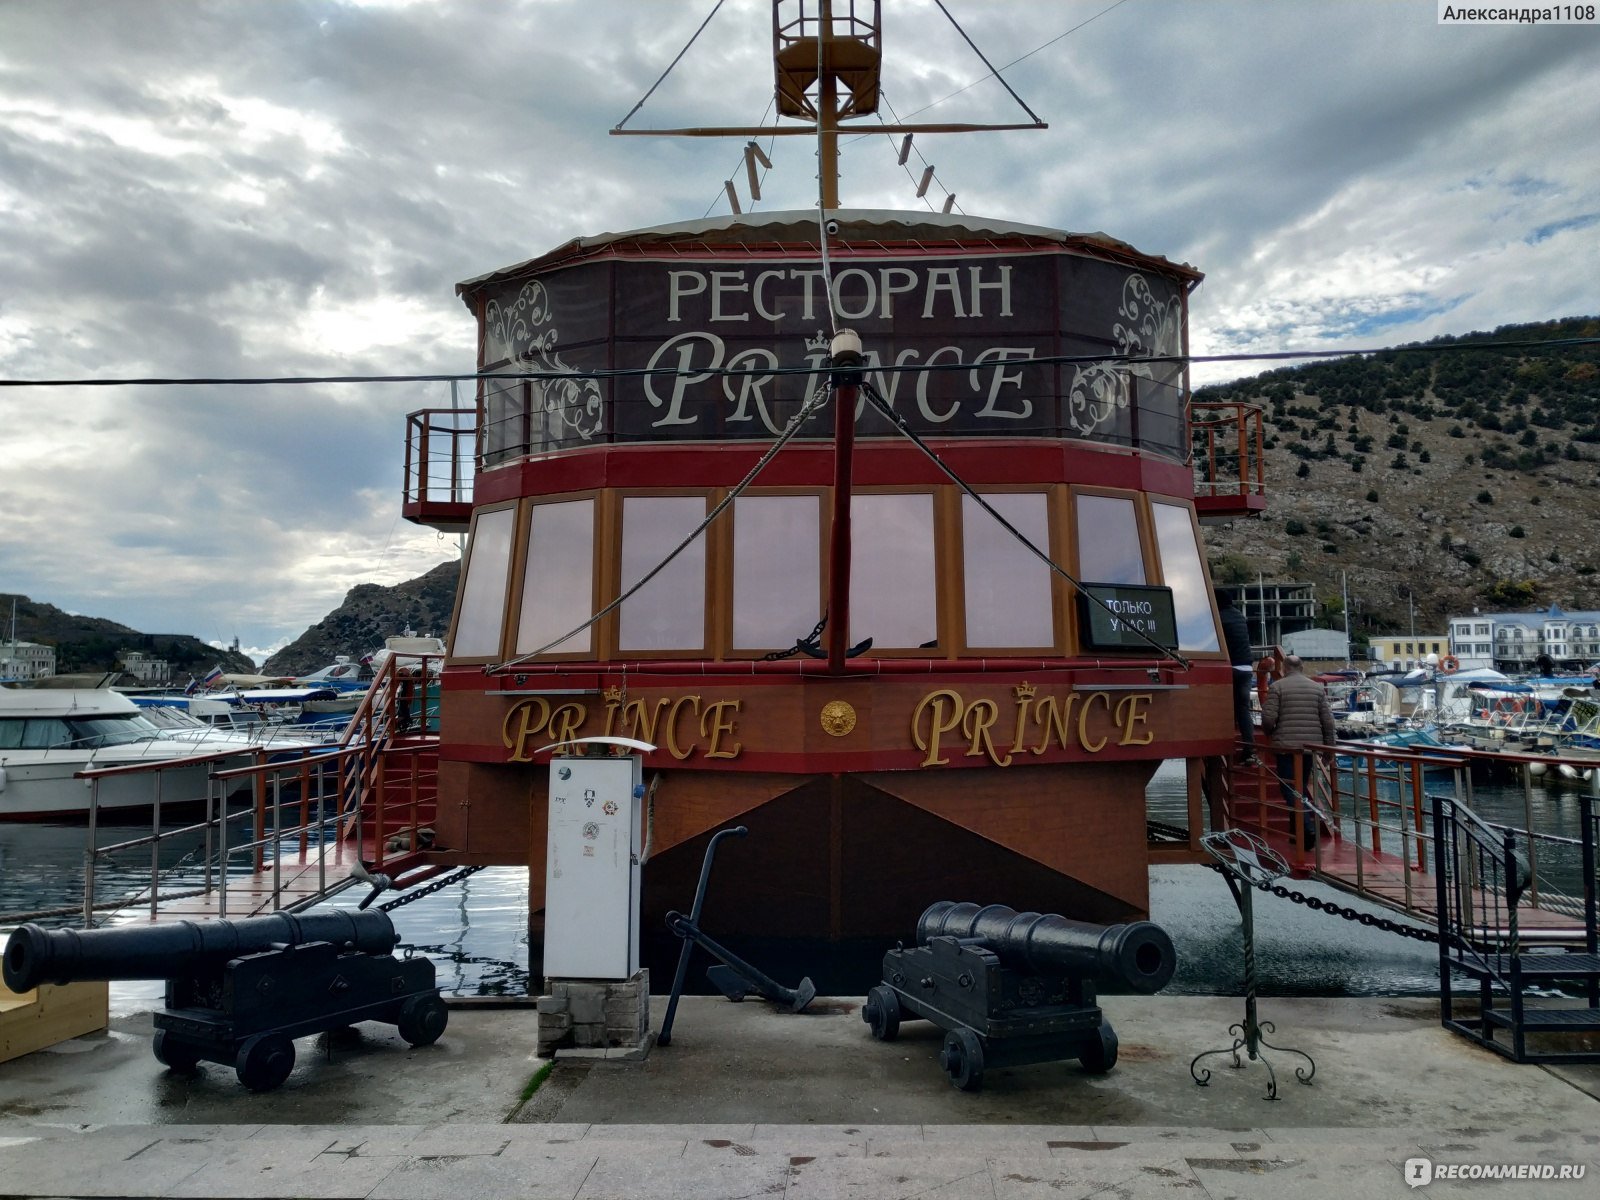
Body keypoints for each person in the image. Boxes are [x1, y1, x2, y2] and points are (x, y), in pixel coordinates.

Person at [1260, 654, 1335, 849]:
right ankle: (1297, 833)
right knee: (1300, 787)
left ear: (1284, 668)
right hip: (1309, 748)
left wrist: (1270, 733)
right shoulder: (1317, 688)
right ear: (1302, 668)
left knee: (1290, 789)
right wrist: (1329, 749)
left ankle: (1307, 829)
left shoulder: (1277, 687)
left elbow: (1268, 719)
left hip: (1286, 747)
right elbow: (1328, 721)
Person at [1215, 588, 1256, 763]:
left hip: (1229, 667)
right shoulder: (1239, 616)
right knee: (1242, 708)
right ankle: (1249, 747)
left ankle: (1224, 744)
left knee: (1222, 706)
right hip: (1246, 667)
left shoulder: (1218, 618)